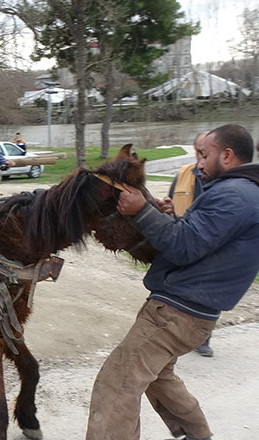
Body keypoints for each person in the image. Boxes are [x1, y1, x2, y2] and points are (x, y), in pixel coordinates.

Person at [86, 124, 259, 440]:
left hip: (177, 312)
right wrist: (170, 219)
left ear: (228, 155)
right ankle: (198, 435)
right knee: (158, 377)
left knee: (116, 383)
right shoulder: (243, 192)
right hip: (191, 313)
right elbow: (204, 242)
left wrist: (141, 212)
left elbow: (185, 246)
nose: (199, 164)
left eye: (204, 156)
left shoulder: (234, 195)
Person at [157, 131, 214, 357]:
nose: (201, 157)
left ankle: (202, 339)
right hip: (181, 240)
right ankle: (174, 335)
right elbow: (172, 199)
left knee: (206, 292)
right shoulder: (183, 173)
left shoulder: (220, 180)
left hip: (206, 244)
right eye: (199, 151)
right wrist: (168, 210)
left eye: (206, 152)